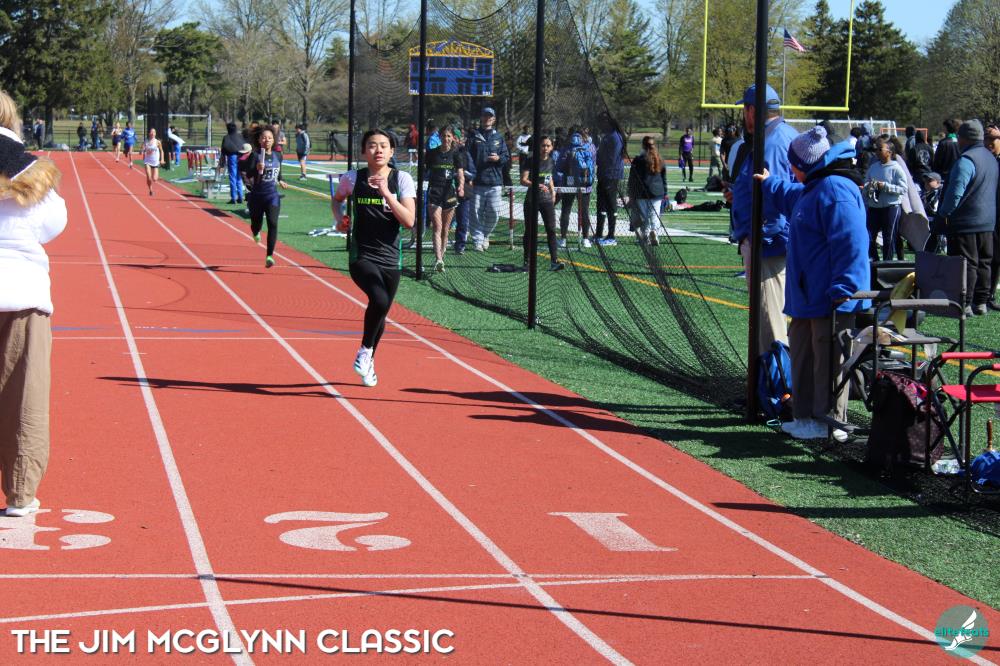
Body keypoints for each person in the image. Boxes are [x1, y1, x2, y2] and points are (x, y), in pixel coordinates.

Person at [756, 126, 869, 442]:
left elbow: (852, 243)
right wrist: (768, 182)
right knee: (804, 358)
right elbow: (790, 195)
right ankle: (804, 417)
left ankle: (829, 422)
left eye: (793, 164)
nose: (790, 170)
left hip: (830, 298)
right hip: (807, 297)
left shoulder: (835, 189)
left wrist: (845, 289)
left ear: (803, 164)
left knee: (829, 363)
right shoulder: (813, 188)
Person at [0, 90, 68, 517]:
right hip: (21, 292)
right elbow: (53, 225)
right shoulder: (33, 172)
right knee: (24, 396)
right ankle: (21, 492)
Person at [331, 129, 416, 387]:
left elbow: (409, 221)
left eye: (383, 145)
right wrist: (340, 220)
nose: (378, 150)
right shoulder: (352, 178)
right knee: (378, 299)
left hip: (391, 257)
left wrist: (386, 193)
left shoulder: (402, 179)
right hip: (362, 255)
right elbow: (337, 200)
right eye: (372, 145)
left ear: (391, 151)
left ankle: (369, 360)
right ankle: (366, 350)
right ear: (363, 151)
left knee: (381, 311)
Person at [724, 83, 798, 355]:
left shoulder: (772, 142)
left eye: (745, 109)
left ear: (753, 110)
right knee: (769, 319)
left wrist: (763, 238)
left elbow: (775, 194)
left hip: (769, 244)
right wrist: (739, 195)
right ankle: (772, 375)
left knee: (770, 322)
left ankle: (775, 379)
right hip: (772, 239)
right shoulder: (779, 135)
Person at [934, 120, 998, 315]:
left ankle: (965, 303)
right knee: (984, 262)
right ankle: (981, 301)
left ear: (964, 138)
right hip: (988, 220)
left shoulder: (966, 160)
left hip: (965, 222)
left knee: (966, 263)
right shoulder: (991, 158)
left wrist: (943, 214)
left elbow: (955, 193)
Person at [240, 127, 288, 268]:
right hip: (257, 196)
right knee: (257, 224)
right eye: (264, 137)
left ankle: (269, 256)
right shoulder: (255, 156)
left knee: (273, 223)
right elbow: (248, 174)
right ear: (259, 140)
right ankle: (255, 232)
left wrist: (281, 180)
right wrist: (256, 168)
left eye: (270, 138)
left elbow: (279, 172)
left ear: (273, 140)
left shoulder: (278, 155)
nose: (267, 140)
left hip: (272, 196)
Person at [468, 107, 510, 252]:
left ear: (494, 119)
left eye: (490, 116)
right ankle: (477, 240)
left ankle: (486, 235)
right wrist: (469, 176)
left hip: (495, 182)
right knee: (475, 213)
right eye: (485, 116)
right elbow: (467, 156)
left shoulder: (499, 137)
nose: (487, 118)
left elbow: (506, 157)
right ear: (481, 118)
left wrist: (498, 158)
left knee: (494, 213)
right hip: (477, 181)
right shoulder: (474, 136)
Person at [520, 135, 563, 272]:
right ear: (539, 147)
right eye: (543, 145)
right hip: (531, 200)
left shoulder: (551, 161)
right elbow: (523, 180)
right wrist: (537, 185)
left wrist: (553, 192)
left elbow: (549, 178)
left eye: (548, 145)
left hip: (546, 200)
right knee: (530, 231)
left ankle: (554, 262)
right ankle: (527, 262)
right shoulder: (530, 160)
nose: (545, 148)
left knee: (551, 230)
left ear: (552, 147)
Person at [863, 135, 908, 261]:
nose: (877, 152)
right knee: (869, 236)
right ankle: (875, 261)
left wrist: (886, 186)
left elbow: (903, 189)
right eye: (876, 149)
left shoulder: (896, 168)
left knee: (889, 238)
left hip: (891, 207)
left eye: (880, 149)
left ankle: (887, 263)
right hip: (874, 207)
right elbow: (866, 183)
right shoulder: (873, 167)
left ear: (889, 152)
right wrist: (869, 187)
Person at [426, 125, 464, 272]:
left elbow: (460, 173)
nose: (446, 139)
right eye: (443, 136)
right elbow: (424, 170)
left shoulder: (456, 154)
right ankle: (438, 259)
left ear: (453, 138)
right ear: (439, 137)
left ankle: (442, 257)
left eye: (449, 136)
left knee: (445, 229)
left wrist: (461, 186)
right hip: (434, 192)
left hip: (449, 194)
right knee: (437, 226)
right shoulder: (432, 154)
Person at [556, 131, 595, 249]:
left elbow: (559, 167)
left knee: (566, 210)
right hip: (585, 183)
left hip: (569, 181)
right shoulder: (588, 148)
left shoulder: (566, 149)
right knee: (584, 211)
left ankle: (563, 239)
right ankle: (585, 239)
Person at [628, 136, 668, 246]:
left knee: (644, 216)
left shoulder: (638, 160)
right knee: (655, 215)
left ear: (643, 145)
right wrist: (665, 192)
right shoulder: (659, 159)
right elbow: (664, 178)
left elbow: (632, 178)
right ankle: (654, 231)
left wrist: (630, 192)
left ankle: (645, 235)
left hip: (642, 192)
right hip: (657, 191)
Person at [595, 112, 625, 246]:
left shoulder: (615, 137)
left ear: (607, 122)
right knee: (601, 204)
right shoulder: (608, 136)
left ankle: (611, 236)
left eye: (601, 122)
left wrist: (599, 158)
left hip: (611, 175)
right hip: (603, 174)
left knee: (611, 204)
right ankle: (598, 234)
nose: (599, 126)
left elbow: (611, 158)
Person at [983, 125, 1000, 311]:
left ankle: (989, 295)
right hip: (983, 214)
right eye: (986, 138)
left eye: (993, 139)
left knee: (995, 257)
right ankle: (980, 295)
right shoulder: (983, 159)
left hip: (997, 215)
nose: (989, 143)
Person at [221, 122, 246, 204]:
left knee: (232, 177)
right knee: (239, 177)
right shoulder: (240, 136)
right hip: (241, 157)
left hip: (232, 157)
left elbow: (223, 149)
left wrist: (222, 163)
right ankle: (240, 197)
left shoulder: (226, 137)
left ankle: (233, 198)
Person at [932, 119, 962, 185]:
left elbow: (937, 161)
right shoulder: (960, 141)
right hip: (957, 174)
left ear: (946, 128)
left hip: (944, 176)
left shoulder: (943, 143)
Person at [141, 128, 165, 196]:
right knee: (149, 177)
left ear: (155, 134)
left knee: (154, 179)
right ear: (149, 133)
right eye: (151, 132)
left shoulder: (157, 142)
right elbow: (142, 149)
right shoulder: (146, 141)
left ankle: (154, 178)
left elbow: (161, 151)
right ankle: (151, 190)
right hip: (147, 161)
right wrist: (142, 150)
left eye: (153, 132)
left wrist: (162, 159)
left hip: (155, 162)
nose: (152, 133)